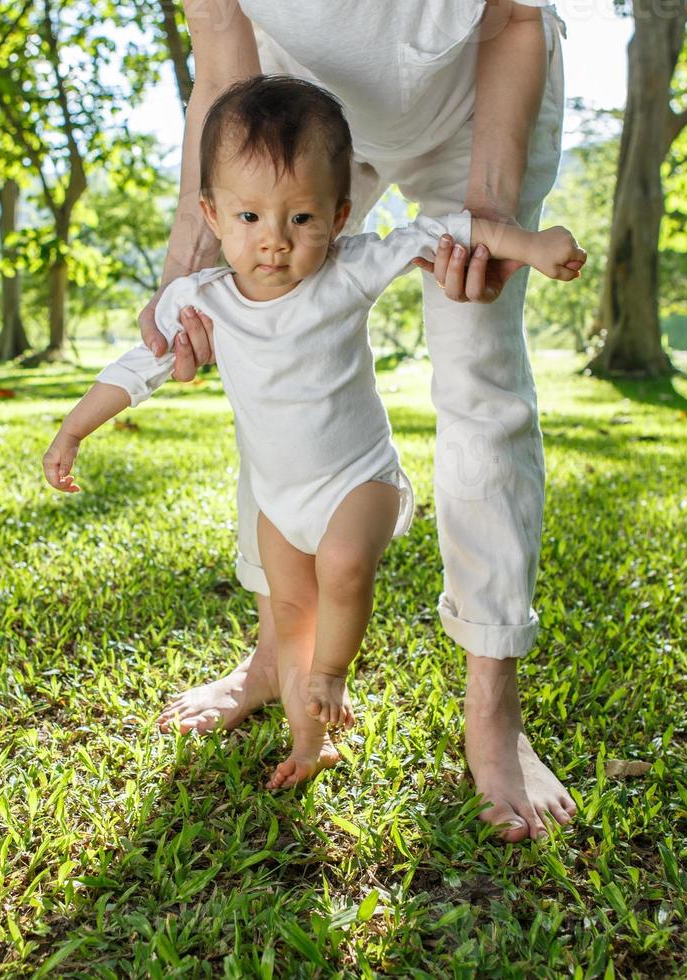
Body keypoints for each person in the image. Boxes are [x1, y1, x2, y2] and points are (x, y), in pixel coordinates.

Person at [43, 74, 584, 790]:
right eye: (249, 218)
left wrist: (532, 244)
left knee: (343, 571)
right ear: (211, 213)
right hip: (279, 498)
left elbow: (440, 229)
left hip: (358, 479)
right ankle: (308, 742)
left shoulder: (347, 271)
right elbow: (134, 368)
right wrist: (74, 431)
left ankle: (333, 675)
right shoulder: (201, 301)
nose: (274, 241)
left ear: (339, 213)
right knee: (290, 607)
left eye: (301, 218)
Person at [149, 0, 580, 843]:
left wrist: (489, 218)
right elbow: (221, 44)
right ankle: (279, 652)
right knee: (268, 358)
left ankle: (492, 708)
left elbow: (520, 17)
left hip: (476, 99)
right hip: (297, 109)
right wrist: (187, 277)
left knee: (480, 375)